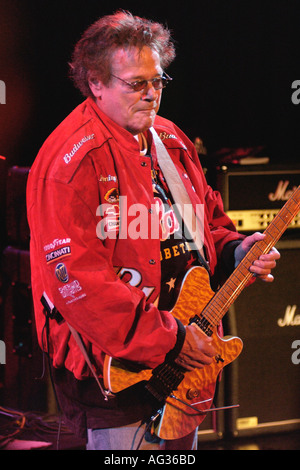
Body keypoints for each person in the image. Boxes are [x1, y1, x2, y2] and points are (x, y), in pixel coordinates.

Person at [26, 11, 280, 451]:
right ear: (96, 84)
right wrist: (171, 340)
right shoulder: (71, 162)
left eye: (158, 81)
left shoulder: (172, 140)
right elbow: (80, 285)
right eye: (136, 83)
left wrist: (239, 251)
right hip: (117, 377)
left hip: (185, 363)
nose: (151, 94)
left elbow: (207, 228)